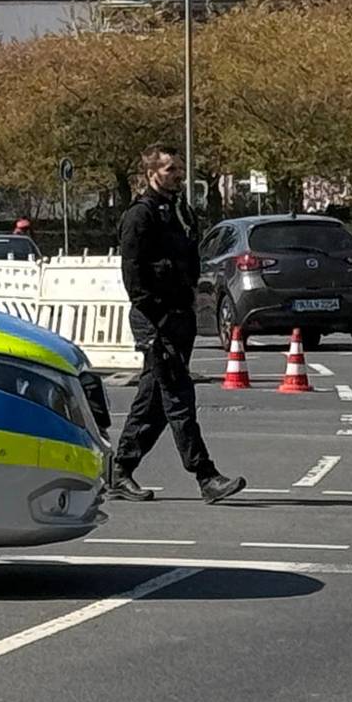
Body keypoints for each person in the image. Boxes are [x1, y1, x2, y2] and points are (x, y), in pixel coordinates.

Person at [106, 146, 244, 505]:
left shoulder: (179, 211)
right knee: (179, 396)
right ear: (151, 172)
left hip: (179, 317)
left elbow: (189, 259)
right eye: (170, 169)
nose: (177, 175)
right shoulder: (140, 215)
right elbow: (133, 275)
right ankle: (205, 475)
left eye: (179, 169)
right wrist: (157, 313)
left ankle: (120, 470)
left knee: (153, 400)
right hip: (155, 320)